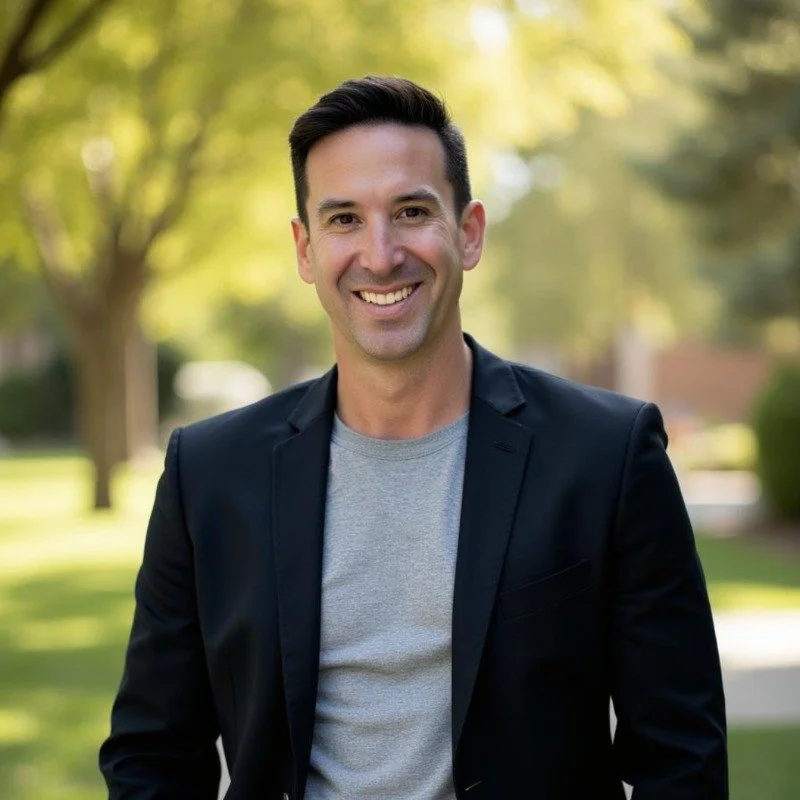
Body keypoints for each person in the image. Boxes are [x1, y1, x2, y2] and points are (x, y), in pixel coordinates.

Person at [100, 76, 727, 799]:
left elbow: (681, 757)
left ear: (468, 231)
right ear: (305, 251)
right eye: (343, 220)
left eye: (410, 211)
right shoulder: (209, 474)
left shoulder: (607, 457)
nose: (380, 252)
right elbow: (151, 757)